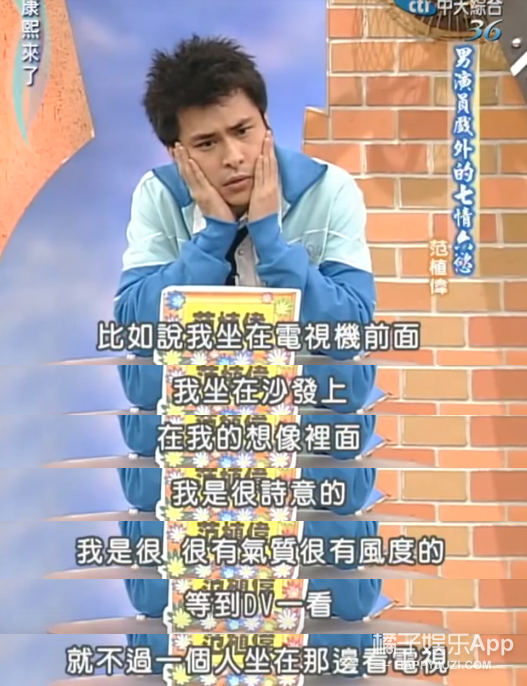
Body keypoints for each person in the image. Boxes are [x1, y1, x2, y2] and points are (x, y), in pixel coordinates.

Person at [114, 35, 381, 673]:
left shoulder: (329, 190)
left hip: (304, 464)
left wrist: (269, 235)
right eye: (207, 144)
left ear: (266, 123)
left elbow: (350, 328)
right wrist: (211, 237)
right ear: (178, 153)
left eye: (243, 131)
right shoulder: (159, 196)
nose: (234, 158)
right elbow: (135, 323)